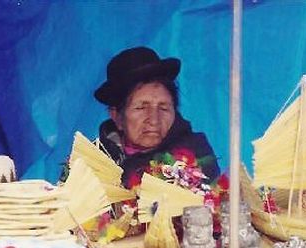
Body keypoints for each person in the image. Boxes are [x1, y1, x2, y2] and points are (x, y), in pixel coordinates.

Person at [93, 46, 220, 187]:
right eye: (141, 107)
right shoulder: (92, 160)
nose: (154, 120)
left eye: (164, 108)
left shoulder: (194, 153)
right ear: (117, 116)